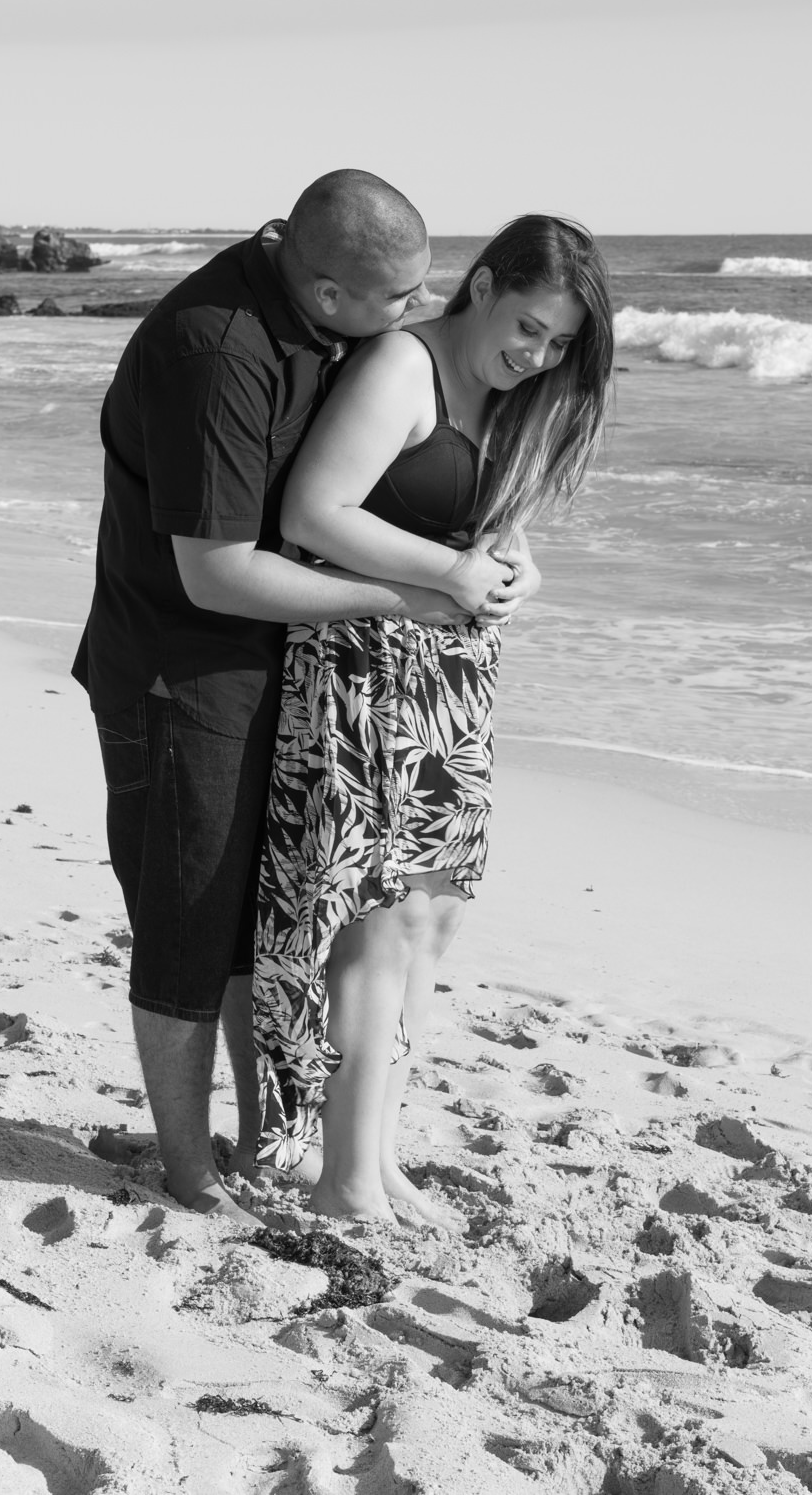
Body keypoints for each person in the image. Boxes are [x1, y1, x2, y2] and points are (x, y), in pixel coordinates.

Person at [72, 170, 541, 1220]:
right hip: (178, 667)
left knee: (252, 920)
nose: (415, 317)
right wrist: (408, 597)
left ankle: (254, 1143)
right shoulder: (220, 351)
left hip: (273, 655)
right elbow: (216, 571)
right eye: (396, 300)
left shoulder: (315, 323)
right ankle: (190, 1171)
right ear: (326, 294)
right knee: (191, 917)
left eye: (426, 291)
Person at [254, 215, 614, 1223]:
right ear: (484, 283)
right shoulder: (401, 368)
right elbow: (314, 514)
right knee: (376, 916)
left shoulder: (505, 396)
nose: (536, 354)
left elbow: (487, 519)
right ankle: (343, 1180)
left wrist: (513, 563)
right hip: (363, 664)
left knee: (434, 917)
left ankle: (378, 1156)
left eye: (556, 344)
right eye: (530, 327)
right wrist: (448, 570)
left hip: (451, 678)